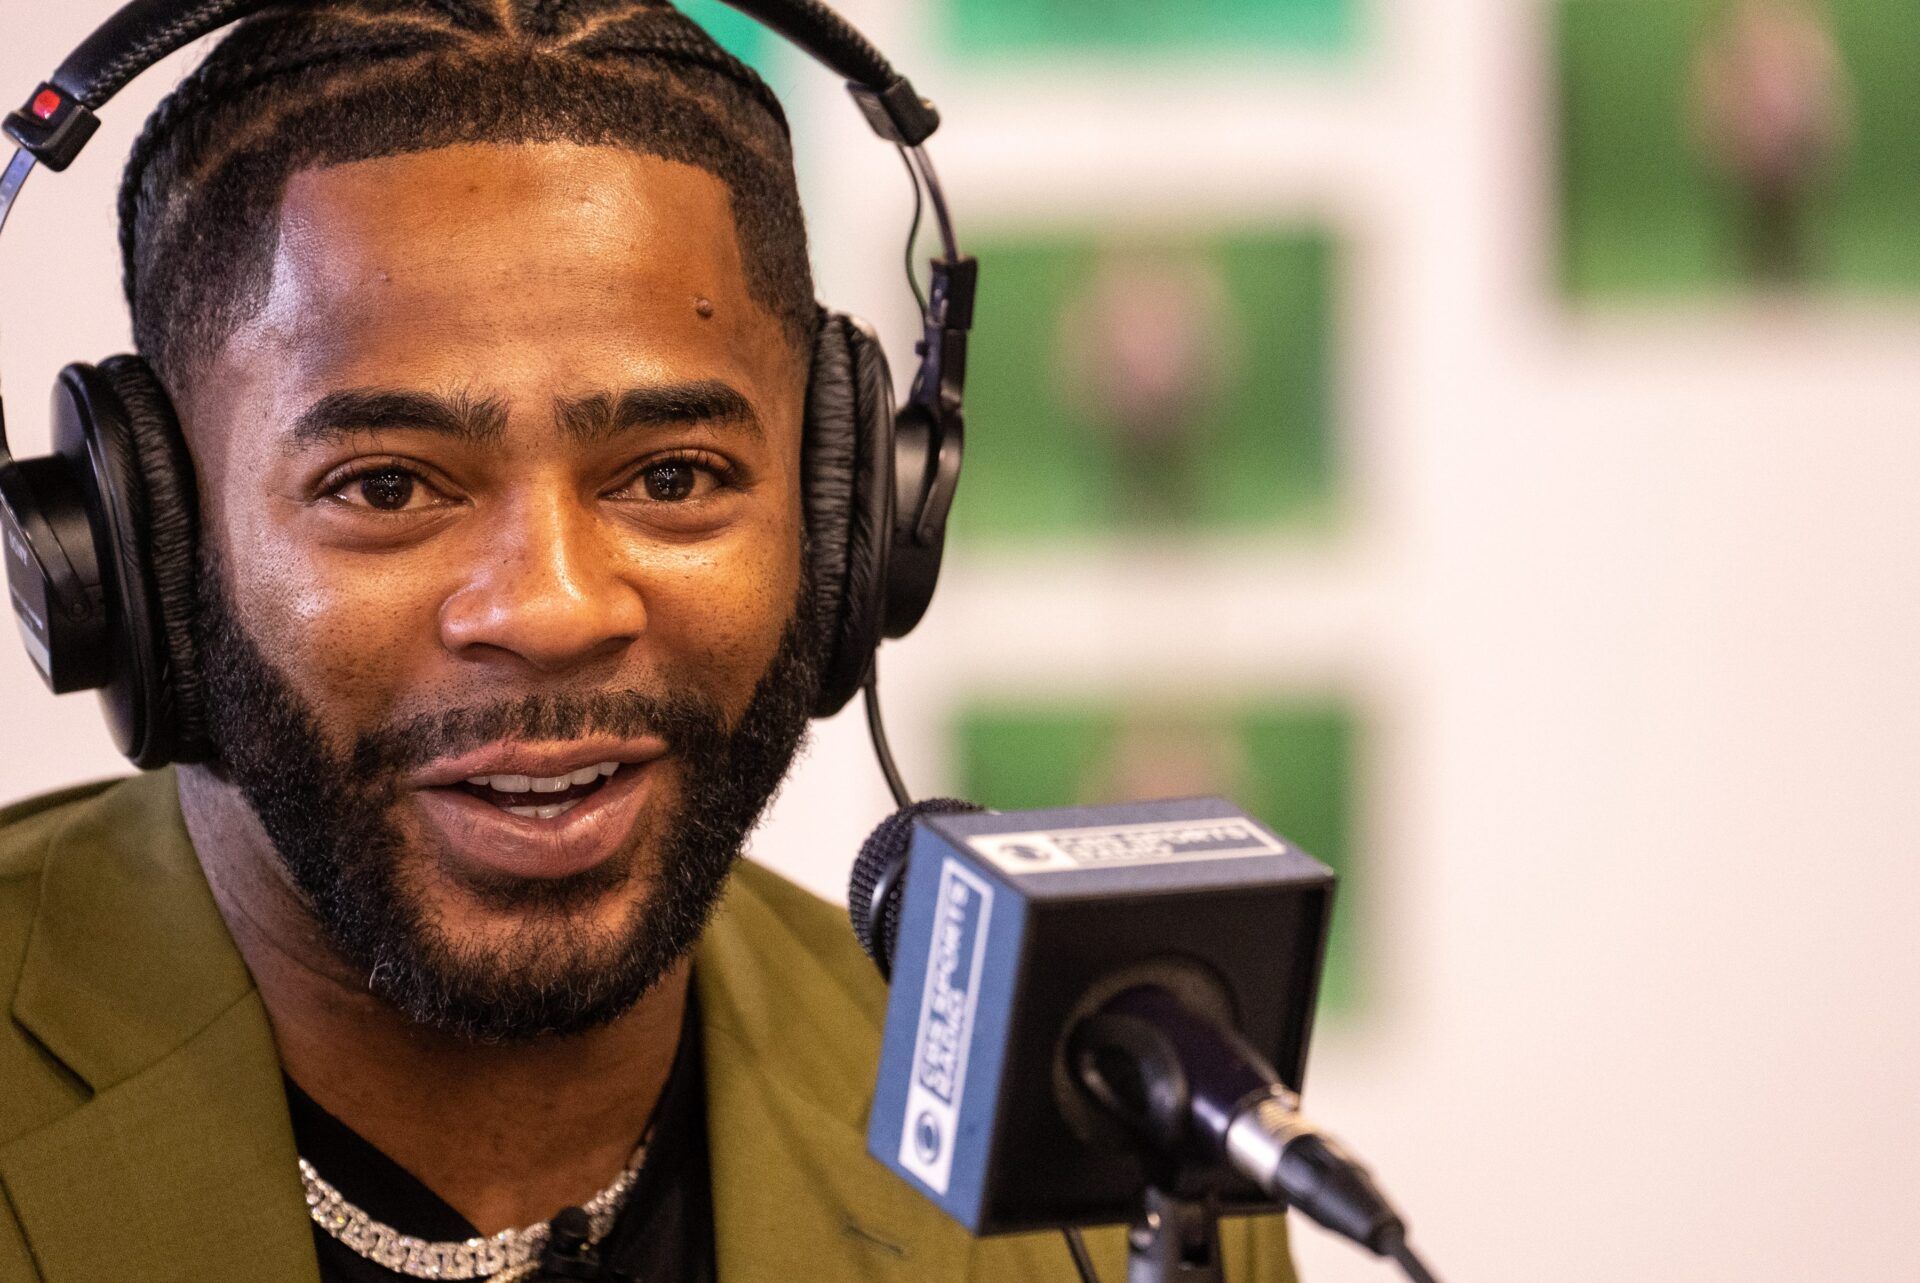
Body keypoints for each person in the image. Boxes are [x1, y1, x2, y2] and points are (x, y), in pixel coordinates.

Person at [0, 3, 1299, 1280]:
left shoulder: (1124, 1155)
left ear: (849, 521)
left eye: (672, 477)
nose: (554, 610)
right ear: (141, 552)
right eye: (386, 487)